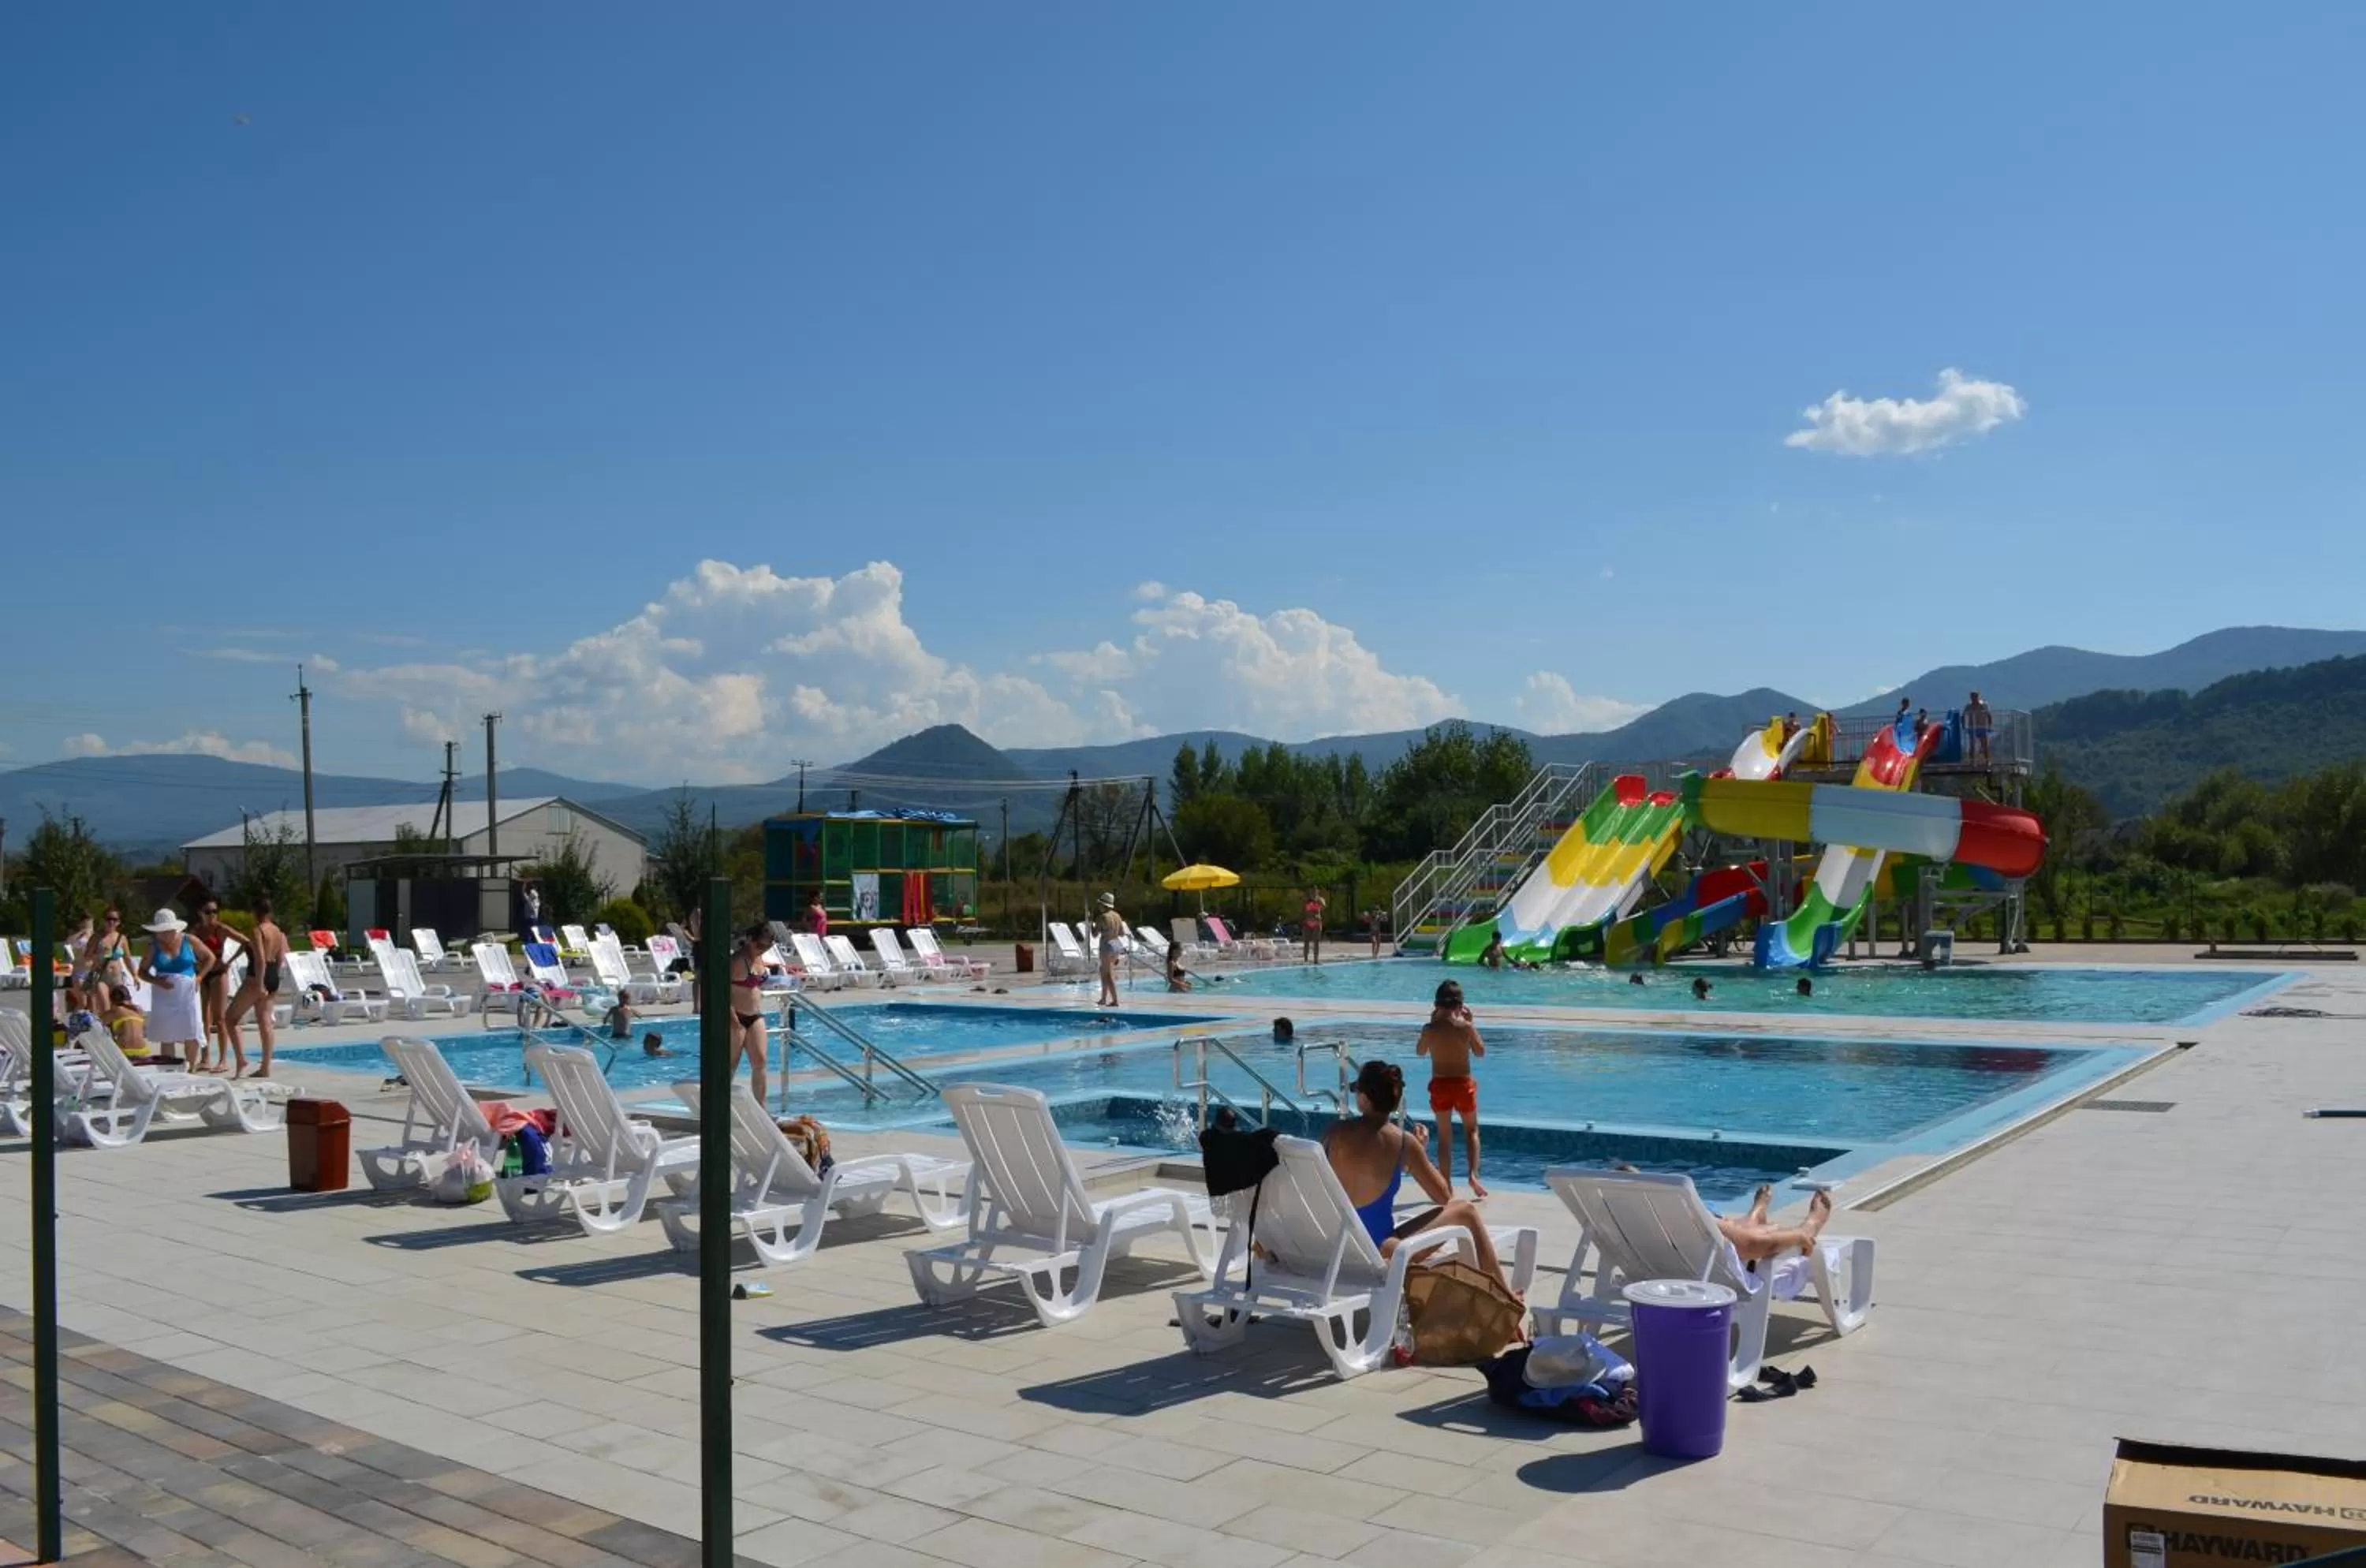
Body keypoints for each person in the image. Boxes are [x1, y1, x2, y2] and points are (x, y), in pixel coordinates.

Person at [1323, 1060, 1506, 1280]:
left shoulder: (1334, 1134)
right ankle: (1503, 1290)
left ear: (1363, 1099)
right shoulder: (1403, 1143)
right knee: (1465, 1210)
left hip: (1335, 1249)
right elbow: (1444, 1197)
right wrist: (1418, 1153)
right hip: (1382, 1251)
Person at [1417, 980, 1488, 1200]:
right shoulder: (1465, 1028)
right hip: (1462, 1084)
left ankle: (1446, 1184)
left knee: (1445, 1137)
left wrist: (1430, 1025)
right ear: (1460, 1005)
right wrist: (1471, 1024)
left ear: (1436, 1004)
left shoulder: (1430, 1029)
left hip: (1440, 1085)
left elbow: (1420, 1052)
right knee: (1471, 1131)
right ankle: (1473, 1175)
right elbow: (1480, 1052)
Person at [137, 909, 214, 1069]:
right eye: (161, 932)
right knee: (167, 1034)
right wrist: (156, 981)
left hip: (188, 992)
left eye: (167, 931)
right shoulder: (154, 947)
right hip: (163, 994)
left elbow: (210, 958)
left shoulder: (189, 940)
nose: (164, 935)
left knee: (191, 1030)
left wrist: (200, 977)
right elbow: (141, 972)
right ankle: (169, 1068)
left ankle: (191, 1067)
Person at [222, 894, 288, 1079]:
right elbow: (281, 956)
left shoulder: (258, 930)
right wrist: (273, 979)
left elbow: (259, 959)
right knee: (265, 1022)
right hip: (273, 974)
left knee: (230, 1018)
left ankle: (241, 1059)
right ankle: (265, 1067)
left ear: (255, 912)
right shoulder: (278, 931)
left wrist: (259, 984)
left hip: (257, 977)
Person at [188, 897, 245, 1073]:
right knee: (204, 1018)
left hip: (218, 974)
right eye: (208, 912)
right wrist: (194, 963)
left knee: (219, 1018)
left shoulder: (220, 929)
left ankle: (223, 1060)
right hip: (203, 974)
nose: (212, 915)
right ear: (200, 914)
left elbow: (246, 942)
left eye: (215, 911)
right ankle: (205, 1058)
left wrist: (229, 961)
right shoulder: (196, 931)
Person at [726, 923, 774, 1105]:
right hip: (736, 1017)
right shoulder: (738, 960)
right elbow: (722, 991)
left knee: (760, 1062)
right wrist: (733, 1019)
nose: (763, 949)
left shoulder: (759, 959)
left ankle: (761, 1108)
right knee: (730, 1065)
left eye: (767, 946)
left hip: (755, 1016)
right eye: (760, 945)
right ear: (749, 940)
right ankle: (722, 1106)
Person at [104, 984, 158, 1063]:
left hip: (124, 1051)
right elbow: (143, 1030)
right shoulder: (139, 1011)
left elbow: (97, 1023)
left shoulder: (116, 1011)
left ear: (112, 1000)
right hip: (143, 1052)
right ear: (129, 998)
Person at [1094, 892, 1125, 1008]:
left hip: (1107, 945)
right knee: (1104, 971)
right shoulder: (1117, 916)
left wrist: (1092, 925)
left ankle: (1115, 1000)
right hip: (1116, 945)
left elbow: (1094, 934)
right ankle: (1103, 998)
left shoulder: (1102, 917)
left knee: (1108, 974)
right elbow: (1122, 933)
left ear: (1103, 905)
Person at [1965, 689, 1994, 763]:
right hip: (1972, 727)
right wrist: (1964, 726)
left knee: (1985, 745)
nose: (1973, 698)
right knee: (1972, 745)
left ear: (1978, 697)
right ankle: (1972, 762)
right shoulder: (1969, 706)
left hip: (1982, 727)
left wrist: (1990, 726)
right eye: (1972, 697)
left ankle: (1987, 761)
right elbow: (1963, 716)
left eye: (1975, 697)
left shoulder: (1984, 705)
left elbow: (1989, 716)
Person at [1301, 888, 1327, 965]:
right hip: (1307, 922)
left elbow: (1324, 906)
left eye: (1315, 891)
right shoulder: (1306, 900)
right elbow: (1303, 910)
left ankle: (1316, 960)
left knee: (1316, 942)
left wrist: (1317, 900)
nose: (1313, 892)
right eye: (1312, 891)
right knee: (1306, 942)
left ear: (1318, 891)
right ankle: (1306, 960)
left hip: (1316, 922)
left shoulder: (1320, 899)